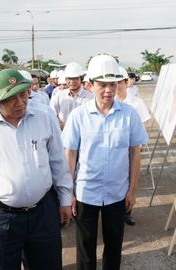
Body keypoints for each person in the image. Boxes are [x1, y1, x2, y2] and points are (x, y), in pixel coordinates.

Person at [0, 69, 73, 270]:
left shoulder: (44, 119)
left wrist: (65, 199)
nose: (20, 102)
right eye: (11, 98)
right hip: (2, 220)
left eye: (23, 94)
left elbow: (58, 162)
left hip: (43, 212)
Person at [62, 54, 148, 270]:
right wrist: (68, 192)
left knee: (113, 246)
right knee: (85, 247)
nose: (109, 90)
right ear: (90, 85)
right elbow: (70, 155)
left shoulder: (129, 115)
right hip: (85, 192)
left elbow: (135, 153)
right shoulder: (78, 116)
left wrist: (132, 190)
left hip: (117, 193)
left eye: (113, 84)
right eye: (102, 85)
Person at [116, 67, 151, 226]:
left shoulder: (136, 103)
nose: (116, 85)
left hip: (131, 149)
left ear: (126, 82)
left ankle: (127, 212)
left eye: (119, 82)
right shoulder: (109, 102)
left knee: (130, 180)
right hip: (115, 149)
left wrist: (138, 143)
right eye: (113, 82)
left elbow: (145, 123)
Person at [50, 62, 93, 129]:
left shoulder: (90, 97)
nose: (72, 81)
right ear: (65, 79)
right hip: (62, 134)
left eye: (75, 78)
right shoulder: (59, 96)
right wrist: (61, 125)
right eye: (69, 79)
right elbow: (51, 113)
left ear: (81, 79)